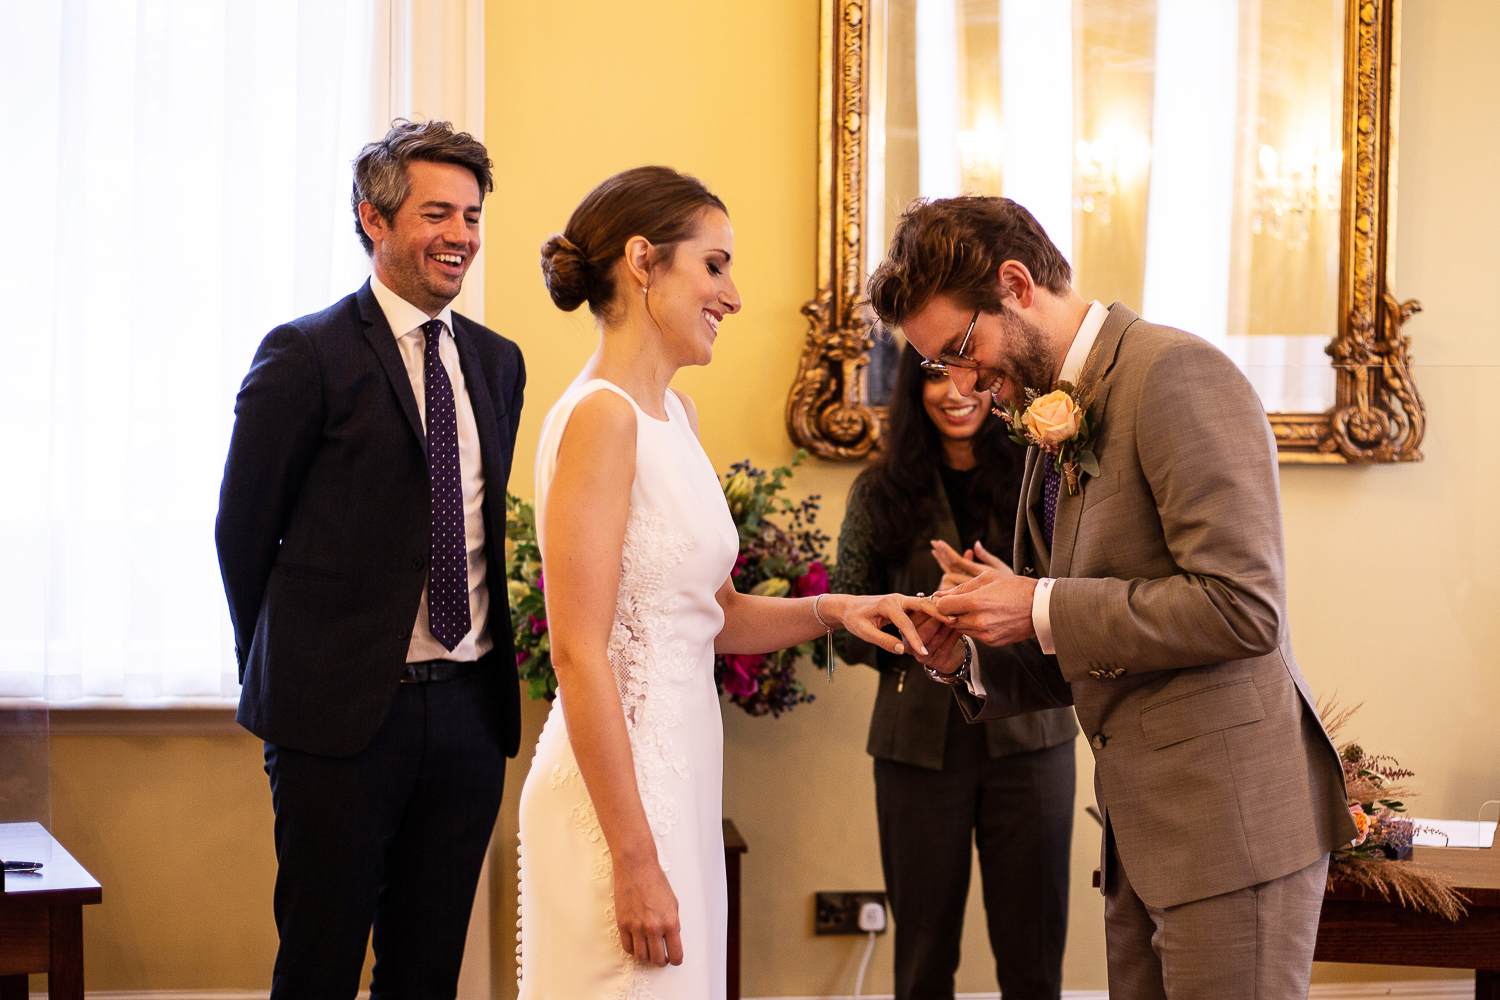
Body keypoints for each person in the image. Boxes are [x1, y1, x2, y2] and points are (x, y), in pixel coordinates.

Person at [870, 196, 1355, 1000]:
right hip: (1141, 837)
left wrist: (1035, 604)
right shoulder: (1046, 413)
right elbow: (1081, 649)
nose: (962, 381)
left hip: (1229, 827)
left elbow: (1243, 607)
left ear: (1017, 284)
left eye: (961, 347)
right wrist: (970, 656)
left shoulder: (1174, 374)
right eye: (936, 365)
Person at [517, 166, 933, 999]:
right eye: (714, 265)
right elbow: (577, 651)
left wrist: (838, 610)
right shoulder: (601, 418)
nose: (733, 295)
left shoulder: (675, 416)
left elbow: (707, 613)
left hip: (683, 777)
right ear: (643, 261)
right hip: (620, 805)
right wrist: (635, 858)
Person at [215, 119, 524, 1000]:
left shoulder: (499, 364)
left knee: (427, 974)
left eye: (471, 215)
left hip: (468, 716)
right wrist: (284, 675)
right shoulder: (304, 354)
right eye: (437, 213)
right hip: (341, 726)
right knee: (318, 966)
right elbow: (243, 533)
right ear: (374, 219)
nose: (461, 235)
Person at [831, 342, 1077, 1000]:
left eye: (966, 373)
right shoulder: (878, 490)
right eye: (934, 375)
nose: (954, 391)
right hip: (917, 745)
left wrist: (1017, 590)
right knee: (921, 959)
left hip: (1033, 739)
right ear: (912, 388)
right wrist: (919, 617)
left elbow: (1085, 598)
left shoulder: (1046, 473)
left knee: (1034, 957)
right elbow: (848, 631)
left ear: (997, 382)